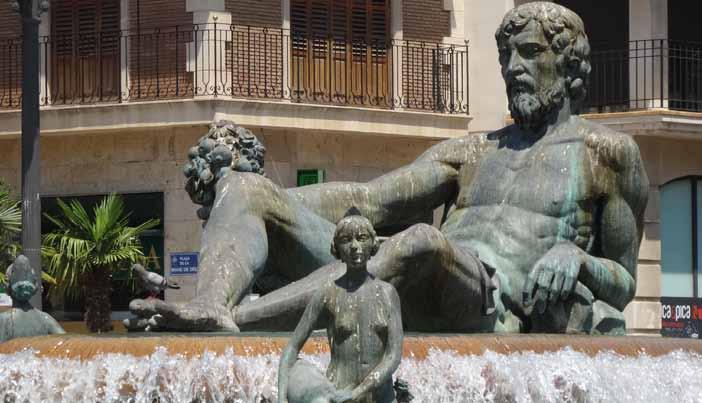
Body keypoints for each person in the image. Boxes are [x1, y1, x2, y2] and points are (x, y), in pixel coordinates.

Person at [130, 2, 648, 335]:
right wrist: (257, 202)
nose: (514, 69)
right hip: (400, 270)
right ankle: (210, 305)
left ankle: (238, 320)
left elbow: (623, 281)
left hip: (485, 301)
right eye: (507, 57)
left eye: (530, 54)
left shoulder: (607, 153)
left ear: (569, 62)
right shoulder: (474, 152)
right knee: (246, 186)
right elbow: (371, 200)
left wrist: (576, 258)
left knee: (423, 240)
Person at [277, 211, 403, 403]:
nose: (354, 246)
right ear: (337, 249)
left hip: (379, 397)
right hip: (337, 395)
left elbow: (393, 356)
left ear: (373, 245)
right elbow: (292, 348)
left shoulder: (388, 293)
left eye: (362, 238)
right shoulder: (328, 293)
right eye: (346, 240)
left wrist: (361, 391)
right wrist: (281, 397)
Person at [0, 255, 65, 342]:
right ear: (34, 287)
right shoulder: (46, 319)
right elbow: (67, 342)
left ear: (7, 287)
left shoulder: (4, 320)